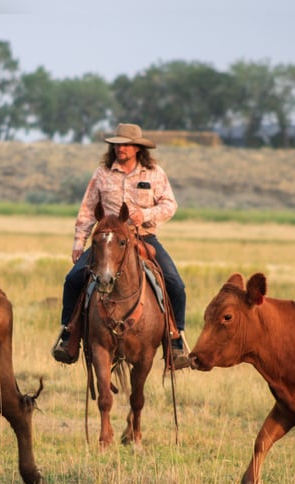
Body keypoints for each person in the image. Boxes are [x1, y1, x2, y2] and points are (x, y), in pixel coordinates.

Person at [51, 123, 190, 369]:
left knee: (175, 283)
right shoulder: (102, 173)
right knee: (73, 279)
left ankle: (175, 339)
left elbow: (170, 205)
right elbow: (87, 209)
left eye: (125, 144)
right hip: (107, 240)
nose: (120, 148)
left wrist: (145, 214)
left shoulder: (154, 172)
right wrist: (78, 243)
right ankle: (68, 335)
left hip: (144, 237)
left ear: (137, 147)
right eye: (116, 144)